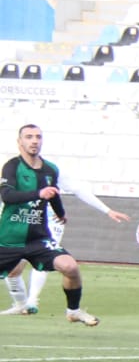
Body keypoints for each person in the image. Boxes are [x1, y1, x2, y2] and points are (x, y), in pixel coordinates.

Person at [0, 123, 131, 326]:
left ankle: (74, 311)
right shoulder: (12, 166)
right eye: (29, 137)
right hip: (9, 240)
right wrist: (38, 194)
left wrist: (62, 213)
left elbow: (56, 193)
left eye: (38, 137)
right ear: (20, 142)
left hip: (38, 239)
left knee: (70, 267)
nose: (34, 141)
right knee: (14, 272)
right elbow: (7, 195)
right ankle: (22, 304)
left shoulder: (50, 170)